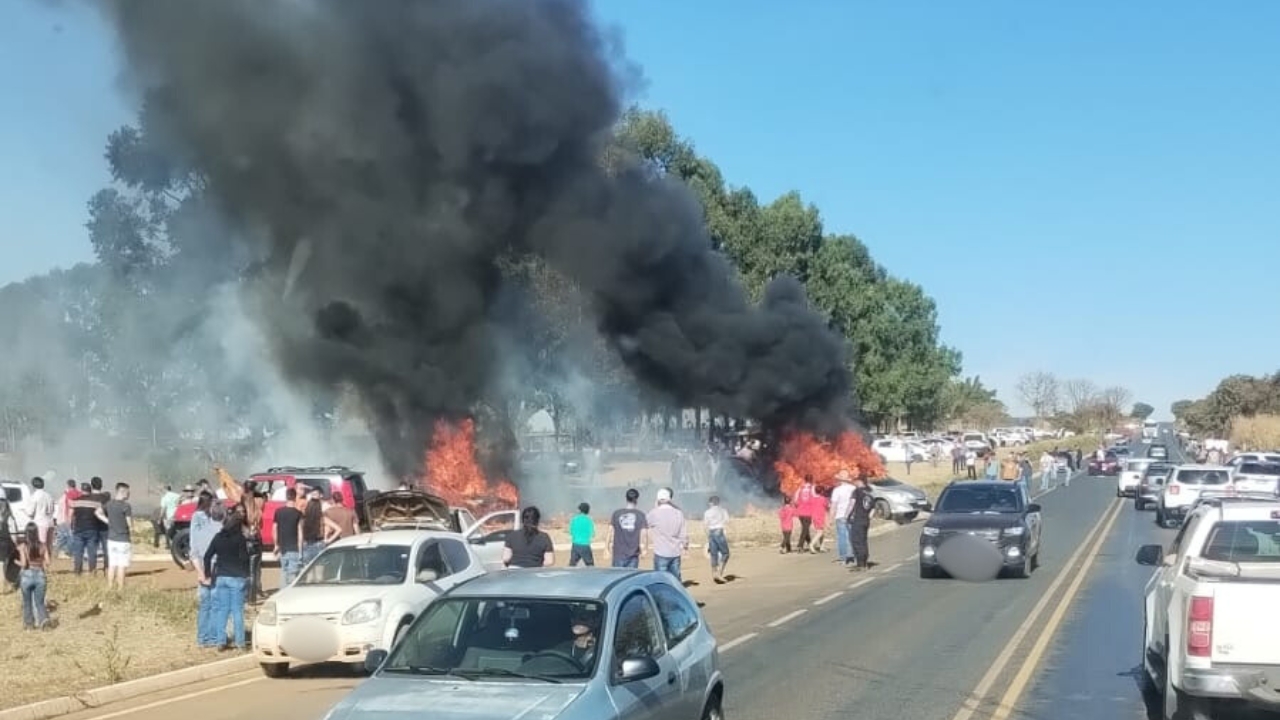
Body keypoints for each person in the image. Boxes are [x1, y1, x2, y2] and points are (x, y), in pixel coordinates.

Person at [203, 510, 251, 650]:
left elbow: (207, 556)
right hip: (236, 577)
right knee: (237, 610)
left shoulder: (218, 537)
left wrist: (208, 574)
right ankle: (240, 642)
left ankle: (220, 641)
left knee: (222, 610)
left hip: (221, 577)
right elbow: (244, 558)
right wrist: (247, 574)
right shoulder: (240, 538)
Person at [189, 493, 223, 647]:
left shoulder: (214, 522)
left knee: (210, 604)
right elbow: (194, 550)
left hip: (213, 566)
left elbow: (194, 550)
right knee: (210, 604)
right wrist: (201, 572)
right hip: (210, 566)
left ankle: (208, 637)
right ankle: (208, 637)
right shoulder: (200, 519)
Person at [95, 483, 133, 591]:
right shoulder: (126, 506)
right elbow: (129, 523)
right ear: (123, 492)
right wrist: (133, 529)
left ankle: (109, 587)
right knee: (122, 565)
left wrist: (108, 521)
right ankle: (120, 589)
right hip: (123, 539)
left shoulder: (109, 504)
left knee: (112, 564)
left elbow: (97, 512)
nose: (129, 494)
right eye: (128, 492)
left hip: (111, 539)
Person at [646, 488, 688, 580]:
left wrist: (655, 507)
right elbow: (683, 533)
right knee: (675, 580)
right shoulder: (678, 513)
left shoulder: (654, 513)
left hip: (661, 552)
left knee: (660, 581)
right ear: (669, 499)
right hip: (675, 552)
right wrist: (685, 547)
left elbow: (645, 524)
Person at [17, 523, 50, 629]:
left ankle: (29, 624)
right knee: (39, 602)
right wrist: (42, 563)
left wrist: (15, 561)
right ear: (37, 533)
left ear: (26, 533)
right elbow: (48, 562)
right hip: (40, 575)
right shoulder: (43, 545)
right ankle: (43, 620)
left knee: (27, 602)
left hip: (27, 575)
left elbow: (23, 564)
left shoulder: (23, 547)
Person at [606, 489, 648, 568]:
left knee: (618, 577)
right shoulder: (641, 515)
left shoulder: (616, 513)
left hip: (618, 554)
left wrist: (606, 548)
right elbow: (644, 534)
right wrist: (644, 549)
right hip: (633, 554)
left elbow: (610, 531)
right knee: (630, 578)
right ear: (636, 499)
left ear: (626, 498)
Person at [273, 488, 304, 588]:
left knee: (283, 572)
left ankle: (282, 594)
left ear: (286, 497)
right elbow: (300, 533)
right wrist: (300, 550)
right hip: (294, 547)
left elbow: (274, 529)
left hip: (283, 547)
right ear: (295, 498)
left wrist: (276, 545)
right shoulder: (298, 514)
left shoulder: (278, 512)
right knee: (292, 575)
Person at [300, 496, 339, 566]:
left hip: (307, 544)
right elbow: (338, 529)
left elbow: (300, 534)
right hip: (319, 544)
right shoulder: (322, 519)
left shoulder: (304, 520)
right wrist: (328, 540)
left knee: (308, 570)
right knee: (320, 570)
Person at [847, 475, 875, 571]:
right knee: (863, 541)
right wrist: (868, 517)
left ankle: (861, 564)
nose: (855, 483)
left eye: (856, 481)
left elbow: (851, 504)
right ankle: (864, 562)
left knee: (856, 541)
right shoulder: (869, 493)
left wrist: (846, 515)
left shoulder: (857, 492)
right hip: (865, 520)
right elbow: (873, 509)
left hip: (857, 520)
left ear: (860, 481)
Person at [829, 471, 855, 564]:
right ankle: (852, 556)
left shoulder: (837, 490)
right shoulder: (854, 488)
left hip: (840, 516)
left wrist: (831, 518)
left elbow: (834, 505)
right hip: (852, 516)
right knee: (851, 536)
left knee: (842, 537)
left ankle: (843, 557)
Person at [702, 495, 729, 583]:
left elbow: (705, 525)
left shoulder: (707, 512)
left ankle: (714, 573)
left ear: (711, 503)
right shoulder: (723, 510)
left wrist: (708, 535)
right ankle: (720, 574)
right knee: (725, 553)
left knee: (714, 554)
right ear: (718, 502)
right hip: (719, 531)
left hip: (711, 532)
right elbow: (726, 521)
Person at [28, 477, 55, 560]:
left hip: (40, 523)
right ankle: (48, 564)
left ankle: (44, 563)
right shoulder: (49, 495)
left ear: (33, 485)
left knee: (41, 545)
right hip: (50, 522)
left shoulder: (34, 496)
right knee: (49, 545)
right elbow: (52, 510)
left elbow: (30, 512)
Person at [568, 503, 595, 567]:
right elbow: (592, 534)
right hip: (585, 545)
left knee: (572, 565)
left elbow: (571, 532)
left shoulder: (574, 519)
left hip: (575, 545)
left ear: (579, 510)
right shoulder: (589, 520)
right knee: (590, 565)